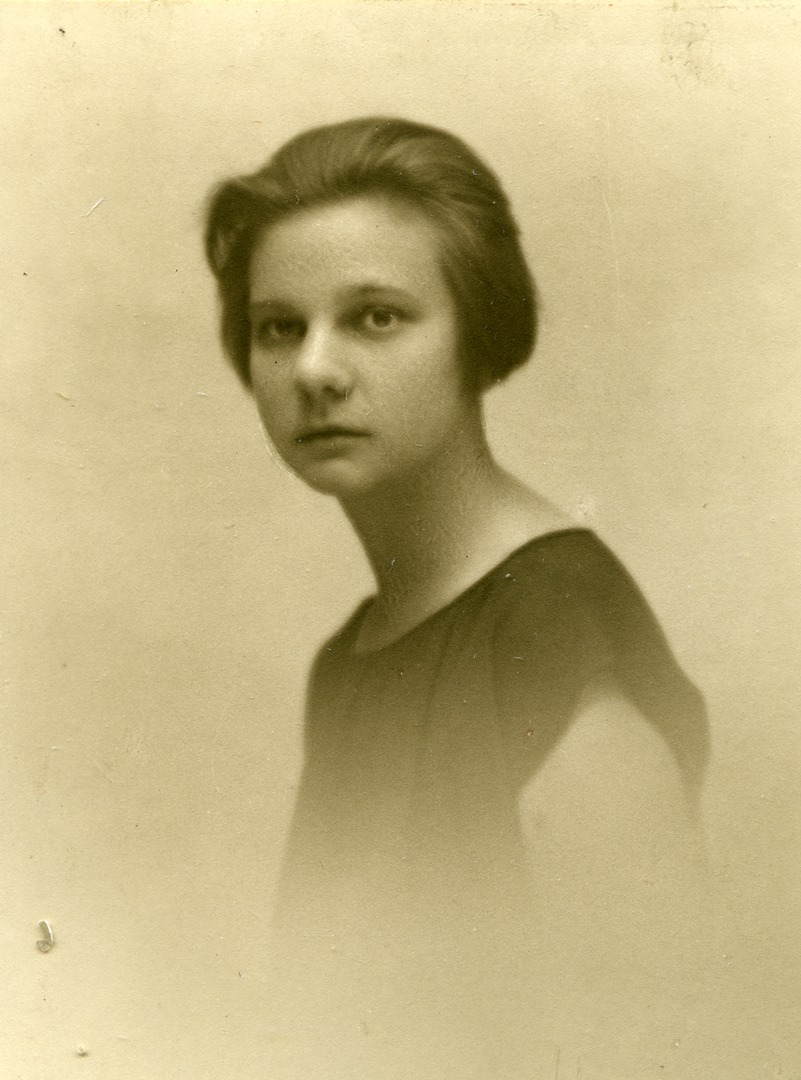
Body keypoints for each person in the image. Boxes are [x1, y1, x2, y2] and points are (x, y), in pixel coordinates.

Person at [204, 117, 710, 1080]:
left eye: (375, 317)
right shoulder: (347, 660)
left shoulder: (556, 635)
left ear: (476, 337)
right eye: (279, 327)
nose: (313, 370)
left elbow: (658, 1048)